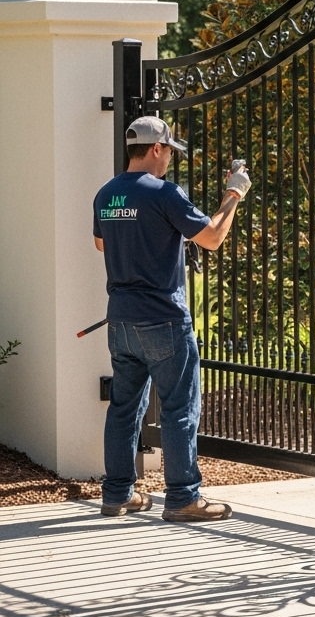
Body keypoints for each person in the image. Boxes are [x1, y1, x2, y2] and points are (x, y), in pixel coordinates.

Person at [92, 116, 251, 521]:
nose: (170, 162)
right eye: (169, 153)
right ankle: (183, 498)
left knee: (123, 408)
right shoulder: (165, 193)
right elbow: (212, 238)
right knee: (180, 407)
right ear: (156, 149)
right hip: (163, 319)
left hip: (121, 320)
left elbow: (100, 244)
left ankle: (117, 495)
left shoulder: (106, 194)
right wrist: (233, 195)